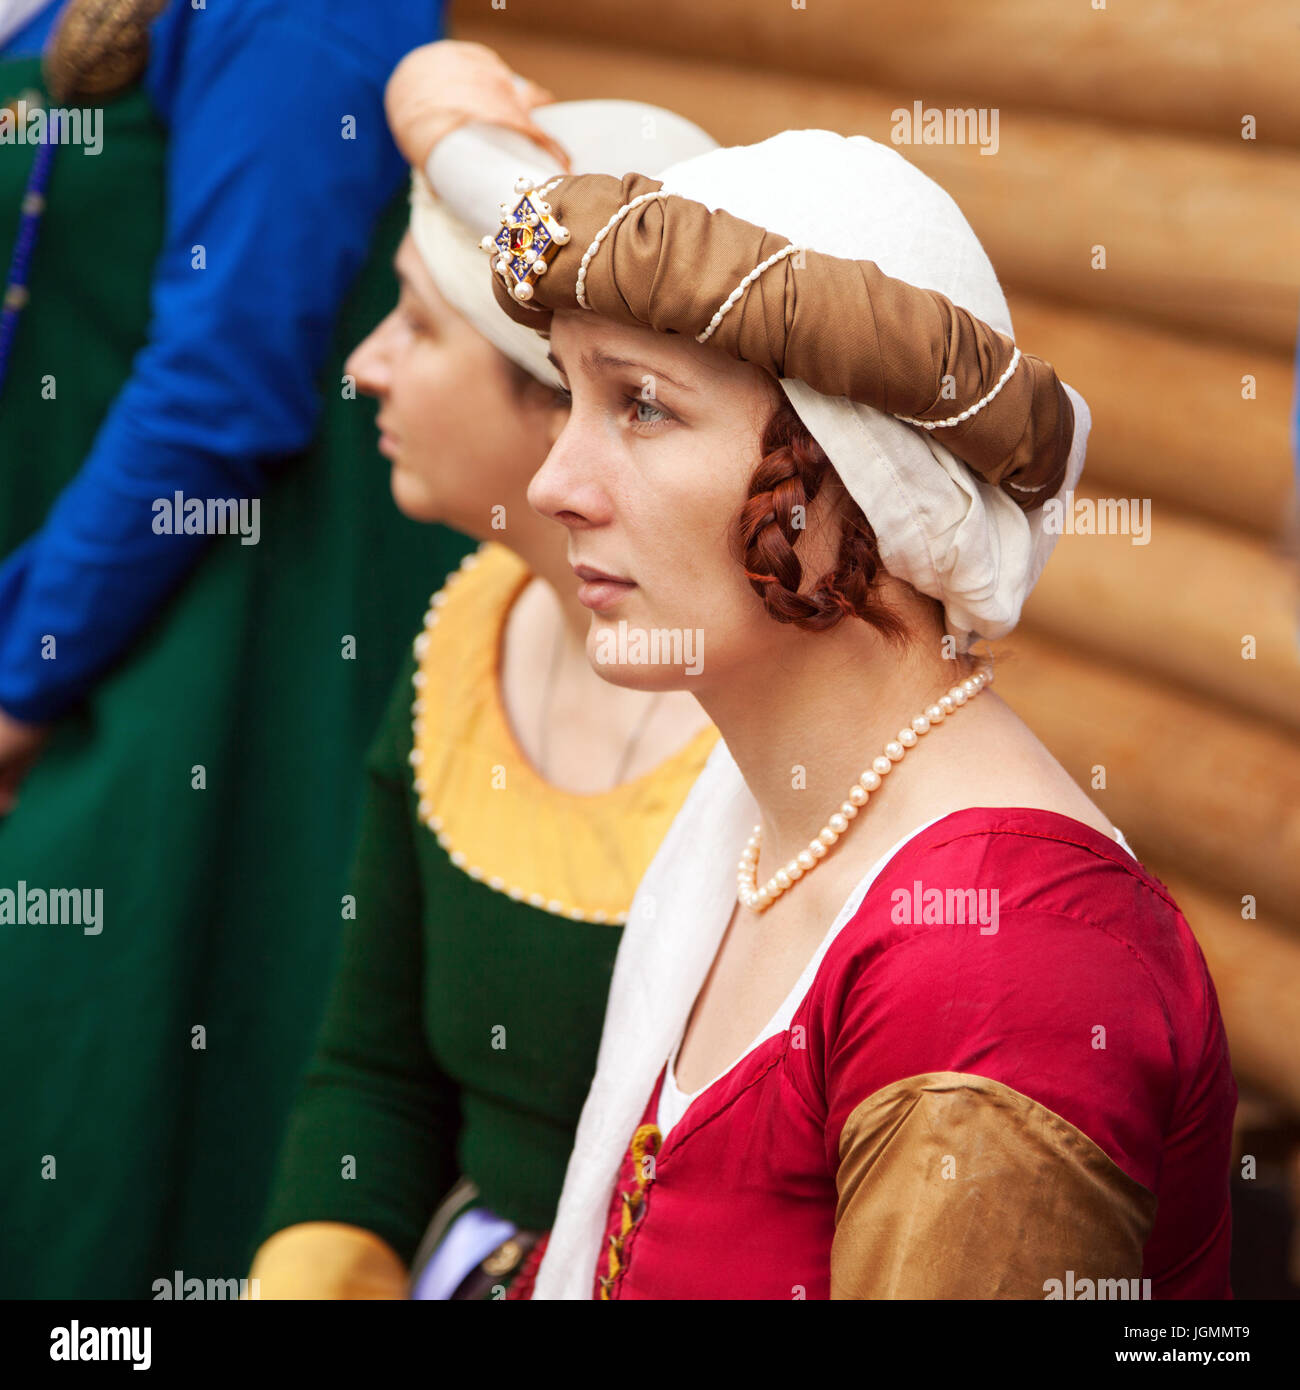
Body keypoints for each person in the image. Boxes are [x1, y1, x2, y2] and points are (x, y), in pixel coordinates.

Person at [462, 128, 1237, 1298]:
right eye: (571, 396)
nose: (554, 484)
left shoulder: (1000, 963)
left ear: (859, 472)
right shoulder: (758, 834)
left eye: (643, 407)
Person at [0, 0, 469, 1297]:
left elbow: (227, 376)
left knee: (106, 1084)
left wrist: (23, 669)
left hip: (195, 645)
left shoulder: (304, 16)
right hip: (74, 585)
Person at [249, 44, 718, 1299]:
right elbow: (375, 1078)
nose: (365, 364)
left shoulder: (770, 750)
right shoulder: (469, 636)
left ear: (560, 395)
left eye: (413, 321)